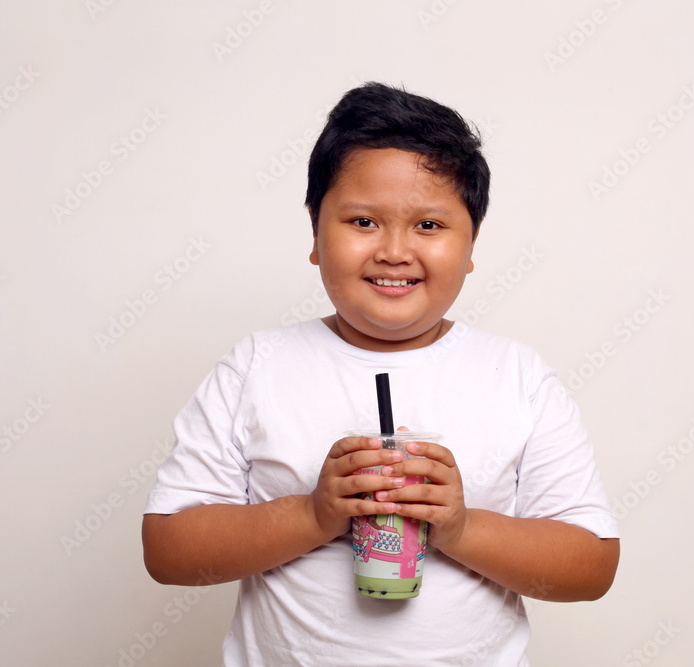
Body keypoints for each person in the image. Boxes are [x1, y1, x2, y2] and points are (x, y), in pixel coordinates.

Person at [142, 82, 620, 666]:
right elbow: (168, 552)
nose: (394, 251)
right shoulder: (256, 368)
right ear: (315, 233)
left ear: (472, 244)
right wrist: (312, 515)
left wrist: (461, 528)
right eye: (364, 221)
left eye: (429, 225)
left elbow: (591, 567)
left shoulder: (517, 378)